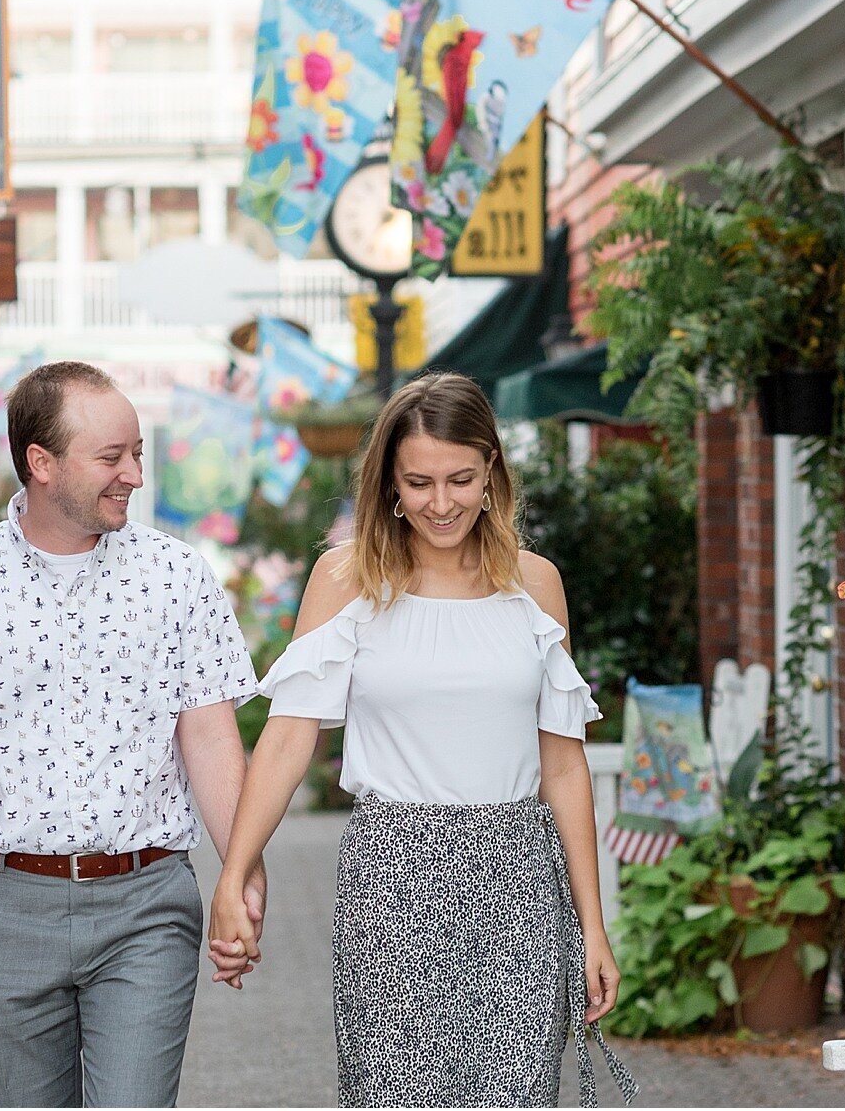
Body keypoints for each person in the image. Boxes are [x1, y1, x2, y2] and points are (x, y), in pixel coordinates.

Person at [205, 372, 636, 1108]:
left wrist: (593, 928)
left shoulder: (536, 586)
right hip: (392, 872)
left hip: (519, 878)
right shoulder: (346, 580)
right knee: (395, 1093)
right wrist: (232, 876)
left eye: (461, 479)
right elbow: (286, 738)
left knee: (516, 1094)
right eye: (419, 482)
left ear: (492, 471)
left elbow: (563, 767)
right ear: (389, 486)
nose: (441, 503)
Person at [0, 360, 266, 1108]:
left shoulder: (179, 579)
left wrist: (241, 871)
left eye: (138, 453)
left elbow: (212, 741)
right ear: (41, 464)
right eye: (112, 458)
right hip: (0, 911)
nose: (134, 476)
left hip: (147, 906)